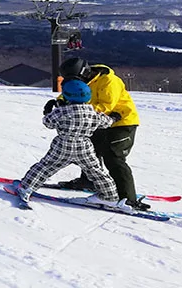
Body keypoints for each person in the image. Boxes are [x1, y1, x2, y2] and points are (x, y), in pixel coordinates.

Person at [56, 57, 149, 211]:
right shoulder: (83, 79)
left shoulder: (109, 81)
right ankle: (89, 181)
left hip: (121, 122)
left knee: (114, 158)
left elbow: (106, 106)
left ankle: (128, 199)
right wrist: (59, 101)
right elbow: (73, 92)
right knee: (90, 152)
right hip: (101, 122)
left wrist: (73, 110)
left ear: (84, 73)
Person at [15, 79, 124, 208]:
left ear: (67, 96)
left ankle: (26, 187)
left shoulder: (62, 111)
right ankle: (109, 196)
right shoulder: (92, 113)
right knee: (95, 171)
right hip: (84, 147)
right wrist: (114, 118)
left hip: (63, 145)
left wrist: (47, 112)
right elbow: (105, 122)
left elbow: (48, 123)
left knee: (46, 166)